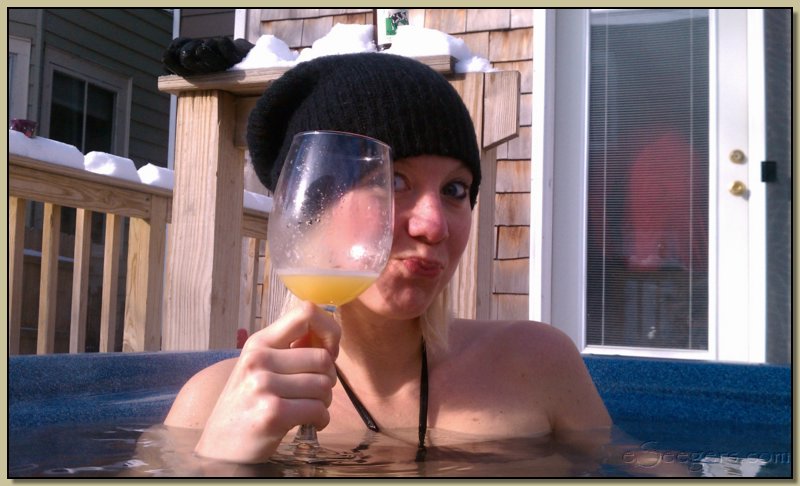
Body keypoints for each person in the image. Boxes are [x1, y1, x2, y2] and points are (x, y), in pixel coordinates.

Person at [162, 51, 611, 465]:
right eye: (393, 181)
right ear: (309, 211)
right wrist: (220, 464)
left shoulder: (538, 364)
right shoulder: (211, 405)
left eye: (455, 189)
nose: (434, 225)